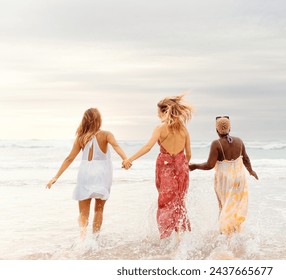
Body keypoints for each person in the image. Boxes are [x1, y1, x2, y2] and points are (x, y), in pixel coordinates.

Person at [46, 108, 128, 239]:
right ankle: (95, 239)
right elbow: (116, 146)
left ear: (84, 121)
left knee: (83, 213)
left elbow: (69, 158)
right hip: (102, 174)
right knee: (99, 209)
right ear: (99, 120)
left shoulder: (81, 138)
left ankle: (82, 238)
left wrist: (56, 176)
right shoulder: (106, 134)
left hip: (85, 174)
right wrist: (125, 159)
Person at [122, 95, 193, 239]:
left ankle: (166, 235)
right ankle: (179, 235)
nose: (156, 114)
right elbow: (189, 154)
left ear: (163, 111)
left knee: (165, 201)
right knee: (179, 200)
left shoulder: (160, 128)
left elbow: (148, 147)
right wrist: (181, 165)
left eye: (158, 111)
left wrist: (130, 159)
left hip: (165, 167)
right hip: (181, 167)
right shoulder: (184, 130)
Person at [189, 116, 258, 235]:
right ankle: (235, 232)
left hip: (225, 179)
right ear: (230, 128)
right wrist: (251, 171)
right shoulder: (239, 141)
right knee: (234, 206)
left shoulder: (216, 144)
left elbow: (210, 165)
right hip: (239, 177)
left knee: (223, 205)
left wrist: (194, 166)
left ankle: (224, 234)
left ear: (217, 130)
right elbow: (245, 158)